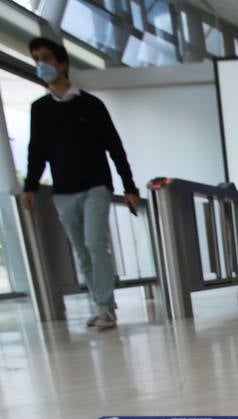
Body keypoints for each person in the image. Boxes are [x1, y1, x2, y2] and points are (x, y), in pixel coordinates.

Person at [21, 37, 139, 330]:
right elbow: (37, 151)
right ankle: (100, 304)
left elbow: (114, 147)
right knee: (81, 249)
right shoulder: (40, 109)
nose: (42, 64)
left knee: (95, 243)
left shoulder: (91, 105)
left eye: (46, 58)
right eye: (37, 58)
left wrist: (130, 187)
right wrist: (30, 186)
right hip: (63, 190)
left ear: (62, 63)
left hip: (96, 185)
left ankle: (106, 307)